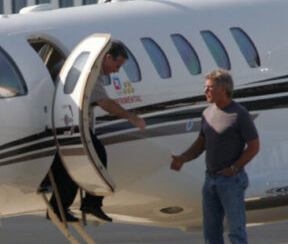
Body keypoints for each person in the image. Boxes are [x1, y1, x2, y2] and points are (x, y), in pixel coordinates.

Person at [48, 41, 146, 223]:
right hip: (64, 124)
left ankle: (63, 207)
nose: (117, 71)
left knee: (72, 163)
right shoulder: (88, 72)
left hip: (58, 121)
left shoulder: (74, 65)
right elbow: (105, 103)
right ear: (107, 57)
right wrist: (132, 118)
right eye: (117, 66)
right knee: (91, 156)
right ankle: (90, 203)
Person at [170, 69, 260, 244]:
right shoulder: (207, 113)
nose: (205, 91)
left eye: (209, 88)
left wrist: (234, 168)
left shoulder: (239, 114)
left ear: (223, 89)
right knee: (211, 234)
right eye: (206, 87)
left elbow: (254, 146)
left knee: (236, 233)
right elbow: (201, 144)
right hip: (210, 181)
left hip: (231, 181)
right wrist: (182, 158)